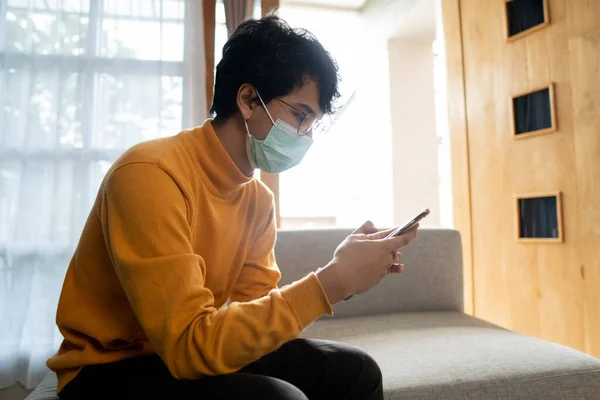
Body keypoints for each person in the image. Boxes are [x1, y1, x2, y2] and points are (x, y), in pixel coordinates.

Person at [49, 16, 418, 400]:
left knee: (354, 371)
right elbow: (188, 346)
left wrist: (348, 276)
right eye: (301, 115)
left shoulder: (258, 201)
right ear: (247, 100)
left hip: (179, 353)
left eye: (314, 124)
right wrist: (331, 282)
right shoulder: (150, 174)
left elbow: (252, 320)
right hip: (106, 369)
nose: (306, 136)